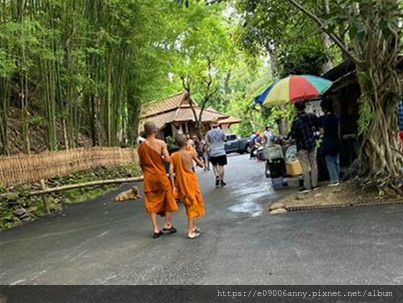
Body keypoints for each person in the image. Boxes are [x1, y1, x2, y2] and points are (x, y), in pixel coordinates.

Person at [137, 122, 178, 238]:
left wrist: (146, 171)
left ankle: (155, 229)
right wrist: (160, 157)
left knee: (152, 202)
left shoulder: (140, 147)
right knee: (167, 198)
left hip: (149, 178)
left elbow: (141, 163)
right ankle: (168, 224)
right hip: (160, 176)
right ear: (155, 130)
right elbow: (168, 159)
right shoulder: (161, 143)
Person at [170, 134, 205, 239]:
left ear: (176, 144)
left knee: (189, 204)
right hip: (190, 182)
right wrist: (194, 151)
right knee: (191, 205)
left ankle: (193, 227)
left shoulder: (174, 155)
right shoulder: (191, 154)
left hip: (181, 184)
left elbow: (171, 172)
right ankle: (190, 231)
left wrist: (173, 187)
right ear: (186, 143)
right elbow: (201, 165)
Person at [290, 101, 320, 193]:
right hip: (312, 143)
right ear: (304, 107)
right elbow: (318, 125)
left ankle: (307, 186)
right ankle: (315, 185)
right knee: (314, 164)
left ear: (296, 109)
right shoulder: (311, 116)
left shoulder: (296, 121)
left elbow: (293, 135)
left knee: (305, 166)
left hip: (302, 146)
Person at [319, 100, 341, 186]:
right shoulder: (336, 117)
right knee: (336, 160)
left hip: (328, 141)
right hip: (336, 140)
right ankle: (337, 178)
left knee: (329, 160)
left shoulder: (323, 119)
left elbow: (322, 132)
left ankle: (334, 180)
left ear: (324, 109)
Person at [205, 120, 227, 187]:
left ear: (211, 125)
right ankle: (222, 180)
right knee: (221, 166)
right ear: (218, 125)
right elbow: (225, 139)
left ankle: (217, 176)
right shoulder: (221, 132)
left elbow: (206, 142)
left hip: (213, 151)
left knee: (214, 166)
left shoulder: (208, 133)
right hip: (221, 151)